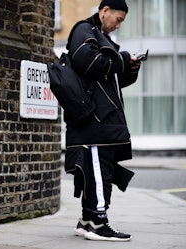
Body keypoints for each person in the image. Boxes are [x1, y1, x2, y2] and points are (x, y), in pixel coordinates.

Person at [64, 0, 142, 242]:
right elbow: (89, 62)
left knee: (96, 171)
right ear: (105, 11)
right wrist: (122, 58)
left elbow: (110, 80)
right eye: (118, 19)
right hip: (94, 121)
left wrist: (130, 68)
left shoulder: (100, 37)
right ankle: (98, 222)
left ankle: (87, 220)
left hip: (102, 120)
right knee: (99, 172)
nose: (118, 25)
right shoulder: (84, 30)